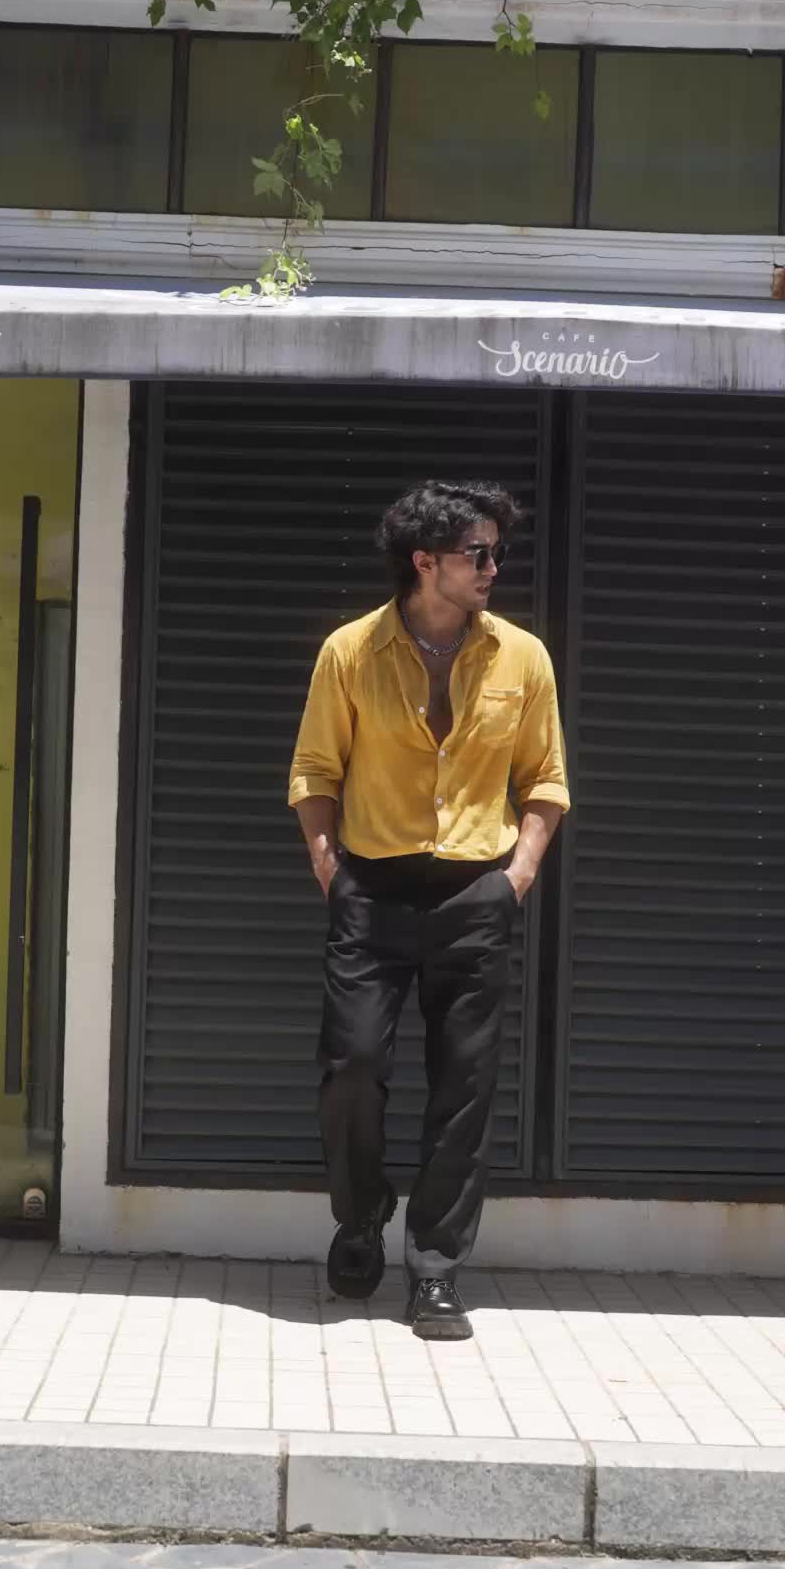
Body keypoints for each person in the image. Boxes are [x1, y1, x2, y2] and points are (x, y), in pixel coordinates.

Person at [288, 479, 570, 1341]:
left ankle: (437, 1271)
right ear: (424, 561)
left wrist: (515, 877)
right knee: (351, 1067)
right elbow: (315, 772)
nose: (493, 567)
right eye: (477, 553)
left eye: (497, 552)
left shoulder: (522, 658)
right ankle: (361, 1213)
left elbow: (545, 781)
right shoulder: (350, 651)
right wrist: (332, 872)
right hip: (371, 890)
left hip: (475, 894)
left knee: (464, 1088)